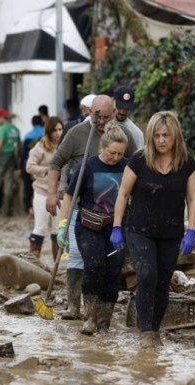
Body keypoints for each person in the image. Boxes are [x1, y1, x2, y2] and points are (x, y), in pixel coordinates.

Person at [111, 111, 195, 347]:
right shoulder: (139, 160)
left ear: (175, 136)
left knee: (162, 281)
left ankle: (155, 329)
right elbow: (122, 194)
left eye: (166, 135)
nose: (161, 140)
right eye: (157, 135)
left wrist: (191, 230)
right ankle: (146, 331)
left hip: (171, 232)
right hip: (139, 229)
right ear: (151, 136)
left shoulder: (186, 163)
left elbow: (192, 199)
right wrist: (117, 227)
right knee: (147, 275)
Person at [47, 95, 138, 320]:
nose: (104, 121)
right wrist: (52, 194)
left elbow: (135, 164)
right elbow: (57, 162)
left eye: (109, 116)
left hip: (113, 213)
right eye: (100, 116)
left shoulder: (122, 135)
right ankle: (74, 307)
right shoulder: (77, 133)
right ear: (90, 112)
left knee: (107, 262)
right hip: (82, 206)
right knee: (78, 255)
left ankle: (100, 312)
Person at [57, 121, 128, 335]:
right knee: (95, 265)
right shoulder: (87, 166)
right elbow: (70, 196)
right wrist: (62, 226)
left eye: (119, 154)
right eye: (111, 153)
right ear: (102, 147)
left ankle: (104, 321)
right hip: (88, 226)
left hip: (115, 227)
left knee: (113, 270)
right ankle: (89, 317)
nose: (115, 158)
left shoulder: (127, 167)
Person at [26, 116, 64, 259]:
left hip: (60, 192)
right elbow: (29, 167)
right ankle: (33, 261)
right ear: (49, 131)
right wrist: (48, 171)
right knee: (40, 227)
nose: (58, 133)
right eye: (54, 130)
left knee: (58, 229)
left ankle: (57, 265)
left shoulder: (65, 146)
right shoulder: (40, 147)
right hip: (42, 190)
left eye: (60, 129)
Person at [20, 115, 45, 215]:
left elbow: (23, 154)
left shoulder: (27, 136)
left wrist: (20, 166)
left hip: (29, 165)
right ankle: (38, 209)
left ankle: (28, 207)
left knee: (27, 187)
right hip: (42, 166)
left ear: (32, 123)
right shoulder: (45, 134)